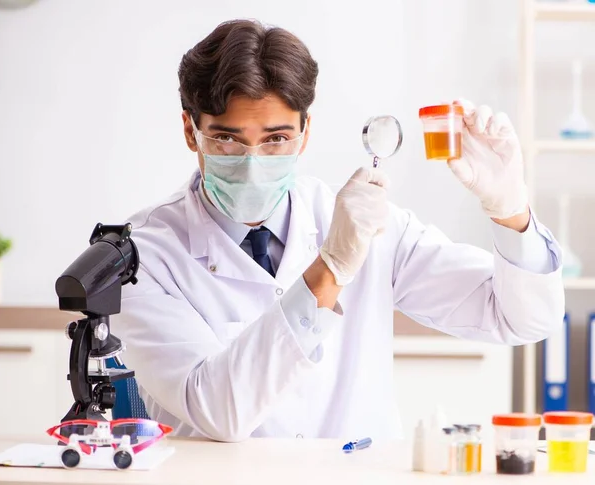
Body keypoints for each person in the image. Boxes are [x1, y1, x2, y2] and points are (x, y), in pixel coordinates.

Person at [113, 18, 564, 442]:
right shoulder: (141, 254)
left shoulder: (363, 222)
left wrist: (510, 211)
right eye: (227, 139)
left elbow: (521, 318)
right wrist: (330, 268)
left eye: (276, 139)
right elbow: (215, 409)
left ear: (305, 133)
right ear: (191, 132)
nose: (252, 162)